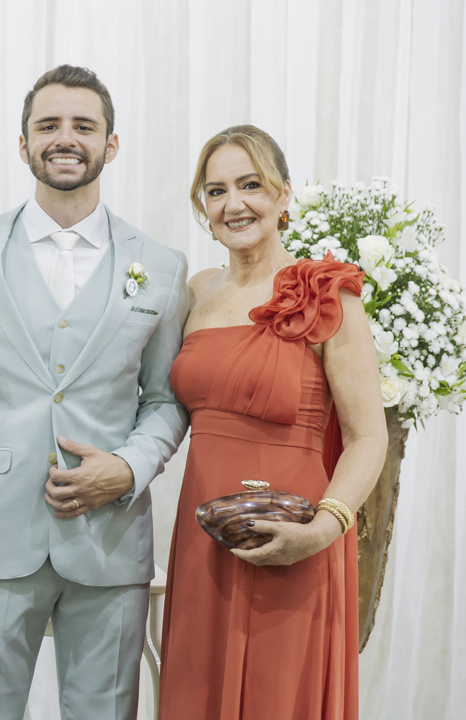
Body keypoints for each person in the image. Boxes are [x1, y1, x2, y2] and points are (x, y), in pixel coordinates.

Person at [0, 65, 189, 720]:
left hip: (110, 541)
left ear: (112, 143)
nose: (64, 138)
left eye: (83, 125)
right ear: (23, 144)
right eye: (48, 125)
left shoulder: (160, 265)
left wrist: (127, 468)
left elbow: (165, 398)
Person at [159, 125, 388, 720]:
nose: (233, 204)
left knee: (278, 694)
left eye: (250, 185)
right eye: (215, 191)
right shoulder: (196, 293)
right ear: (202, 207)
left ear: (284, 195)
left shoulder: (329, 293)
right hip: (202, 529)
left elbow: (368, 436)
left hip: (296, 530)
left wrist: (323, 529)